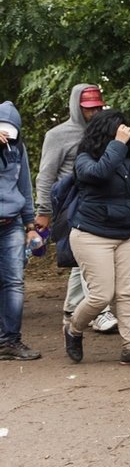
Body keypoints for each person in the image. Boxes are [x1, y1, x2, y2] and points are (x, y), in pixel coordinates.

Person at [63, 109, 130, 366]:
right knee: (101, 296)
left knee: (128, 292)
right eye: (120, 130)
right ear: (108, 133)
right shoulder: (84, 159)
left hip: (128, 234)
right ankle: (74, 329)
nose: (127, 134)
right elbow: (99, 173)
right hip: (92, 234)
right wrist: (117, 145)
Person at [34, 84, 118, 333]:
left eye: (98, 107)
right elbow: (45, 176)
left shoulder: (105, 133)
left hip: (99, 204)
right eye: (89, 108)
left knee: (80, 261)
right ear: (76, 107)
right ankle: (100, 312)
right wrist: (43, 211)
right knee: (91, 257)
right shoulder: (58, 135)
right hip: (70, 205)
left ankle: (72, 310)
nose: (95, 112)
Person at [0, 101, 43, 360]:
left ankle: (10, 342)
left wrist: (30, 226)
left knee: (14, 283)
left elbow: (25, 187)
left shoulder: (18, 148)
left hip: (12, 223)